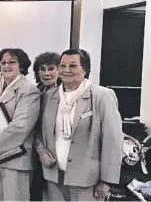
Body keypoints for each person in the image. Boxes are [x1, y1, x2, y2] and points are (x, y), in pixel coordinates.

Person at [39, 49, 123, 201]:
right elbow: (39, 132)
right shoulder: (49, 96)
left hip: (87, 180)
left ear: (85, 69)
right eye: (62, 65)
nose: (66, 70)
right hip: (54, 176)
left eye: (72, 66)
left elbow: (113, 141)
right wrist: (41, 151)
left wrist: (106, 181)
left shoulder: (101, 96)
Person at [0, 48, 41, 201]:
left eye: (12, 62)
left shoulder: (29, 91)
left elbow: (20, 126)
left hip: (16, 159)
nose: (6, 66)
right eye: (3, 62)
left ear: (22, 66)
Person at [30, 51, 61, 201]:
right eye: (42, 69)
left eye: (51, 68)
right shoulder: (34, 94)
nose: (46, 73)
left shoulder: (66, 94)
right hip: (35, 155)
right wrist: (40, 149)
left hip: (59, 154)